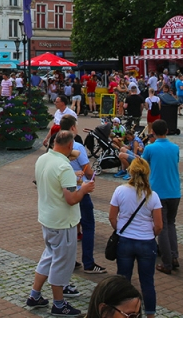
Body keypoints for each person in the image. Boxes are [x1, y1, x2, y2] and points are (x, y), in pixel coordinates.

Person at [25, 130, 94, 317]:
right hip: (63, 222)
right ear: (70, 146)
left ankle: (35, 295)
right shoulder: (64, 167)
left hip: (47, 217)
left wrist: (74, 183)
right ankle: (59, 303)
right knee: (61, 262)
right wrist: (84, 189)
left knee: (49, 256)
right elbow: (71, 199)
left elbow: (50, 184)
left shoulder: (43, 159)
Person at [108, 156, 163, 316]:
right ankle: (150, 314)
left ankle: (122, 313)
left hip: (125, 240)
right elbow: (159, 225)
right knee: (147, 282)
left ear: (130, 171)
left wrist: (120, 230)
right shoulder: (153, 196)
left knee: (123, 280)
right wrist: (150, 234)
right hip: (146, 242)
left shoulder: (120, 191)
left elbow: (112, 216)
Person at [59, 115, 106, 275]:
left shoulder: (56, 144)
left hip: (65, 189)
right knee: (88, 225)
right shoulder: (77, 145)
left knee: (70, 226)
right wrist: (93, 175)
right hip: (80, 189)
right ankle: (88, 262)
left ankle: (69, 260)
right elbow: (87, 169)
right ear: (73, 128)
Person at [141, 119, 181, 274]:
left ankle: (167, 262)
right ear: (167, 131)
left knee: (161, 226)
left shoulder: (151, 148)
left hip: (158, 192)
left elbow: (142, 166)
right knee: (171, 224)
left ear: (153, 132)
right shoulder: (175, 147)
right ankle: (174, 255)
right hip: (174, 190)